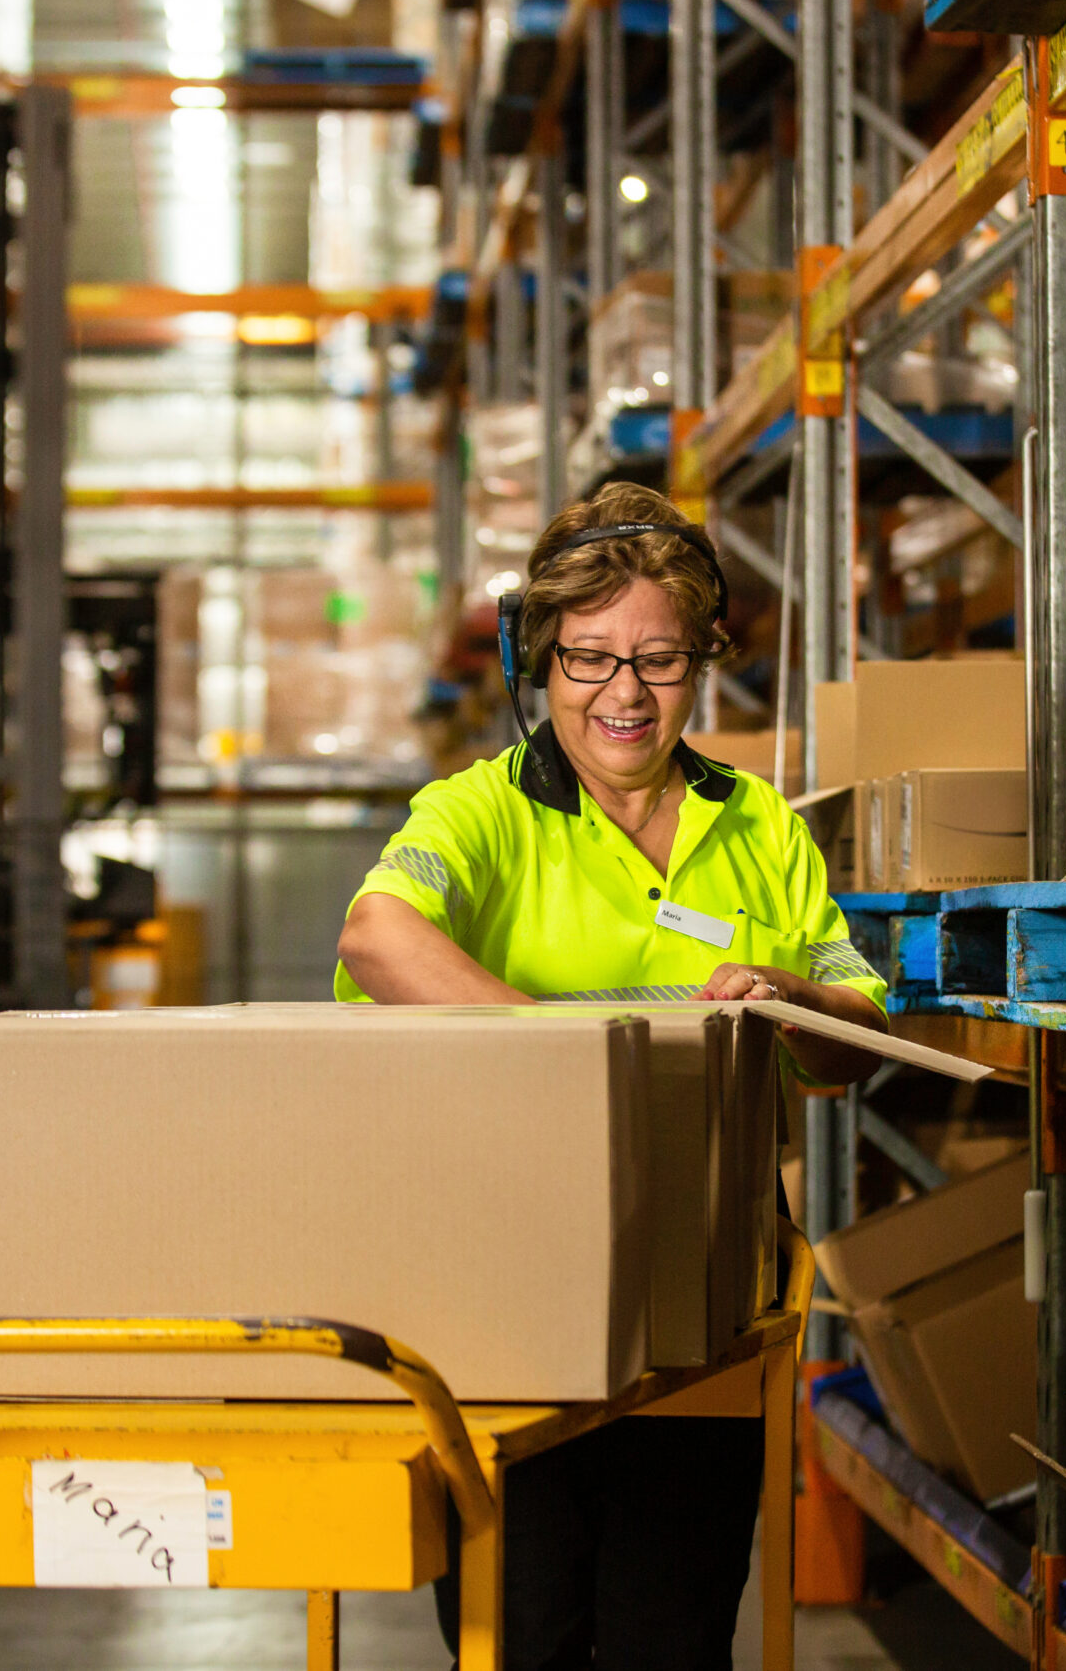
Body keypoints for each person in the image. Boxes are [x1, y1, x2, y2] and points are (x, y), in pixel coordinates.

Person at [334, 480, 887, 1671]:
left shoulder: (762, 828)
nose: (624, 695)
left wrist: (793, 998)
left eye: (659, 658)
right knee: (520, 1629)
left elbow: (857, 1036)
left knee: (670, 1631)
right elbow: (376, 936)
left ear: (703, 663)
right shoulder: (480, 812)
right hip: (502, 1279)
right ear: (536, 664)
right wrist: (568, 1062)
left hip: (703, 1282)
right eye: (587, 659)